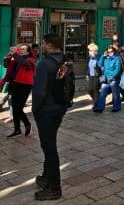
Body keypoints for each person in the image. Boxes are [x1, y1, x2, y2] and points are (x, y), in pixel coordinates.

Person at [32, 34, 67, 201]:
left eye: (44, 43)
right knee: (49, 143)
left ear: (49, 45)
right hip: (60, 108)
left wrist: (35, 109)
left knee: (49, 148)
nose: (42, 46)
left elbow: (39, 92)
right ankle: (46, 177)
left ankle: (54, 188)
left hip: (46, 111)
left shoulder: (44, 64)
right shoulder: (65, 60)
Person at [5, 45, 36, 138]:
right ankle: (17, 130)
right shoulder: (16, 59)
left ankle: (27, 124)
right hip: (15, 84)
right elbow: (6, 66)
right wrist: (8, 58)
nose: (21, 50)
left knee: (18, 108)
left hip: (25, 85)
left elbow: (25, 64)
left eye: (23, 49)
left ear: (28, 51)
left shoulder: (30, 60)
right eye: (20, 49)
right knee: (14, 107)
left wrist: (15, 54)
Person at [93, 47, 122, 113]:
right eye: (108, 52)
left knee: (115, 93)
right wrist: (103, 56)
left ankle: (116, 107)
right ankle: (100, 108)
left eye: (111, 51)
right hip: (106, 79)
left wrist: (112, 77)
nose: (110, 53)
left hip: (113, 79)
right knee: (102, 93)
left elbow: (117, 69)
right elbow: (99, 64)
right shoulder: (105, 58)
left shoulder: (116, 58)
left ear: (114, 51)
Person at [86, 43, 101, 110]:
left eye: (89, 50)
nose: (88, 52)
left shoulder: (98, 56)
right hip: (90, 76)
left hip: (96, 76)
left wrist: (95, 57)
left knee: (95, 90)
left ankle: (96, 104)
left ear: (93, 51)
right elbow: (89, 67)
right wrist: (87, 74)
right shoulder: (90, 57)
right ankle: (97, 100)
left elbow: (100, 65)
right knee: (89, 90)